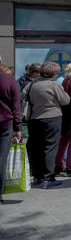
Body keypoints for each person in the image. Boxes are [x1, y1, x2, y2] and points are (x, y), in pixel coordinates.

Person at [25, 62, 70, 189]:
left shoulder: (32, 84)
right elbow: (66, 100)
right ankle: (48, 177)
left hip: (34, 119)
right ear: (53, 74)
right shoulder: (54, 85)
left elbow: (23, 97)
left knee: (36, 148)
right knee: (50, 148)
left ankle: (37, 177)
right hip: (52, 118)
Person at [0, 63, 20, 203]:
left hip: (5, 123)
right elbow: (15, 105)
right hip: (4, 123)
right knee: (1, 160)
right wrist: (18, 128)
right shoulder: (8, 79)